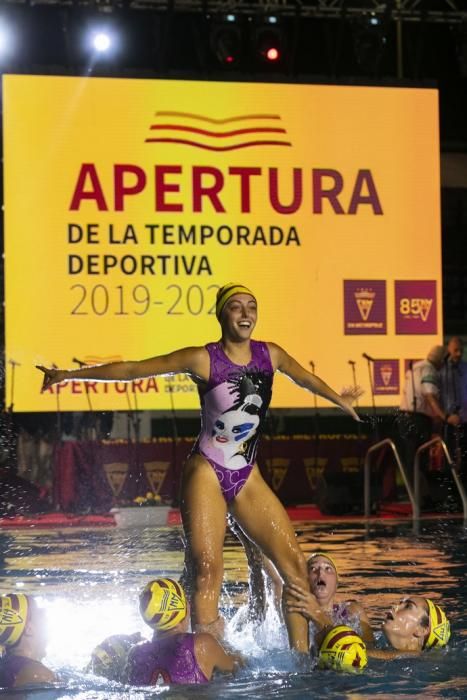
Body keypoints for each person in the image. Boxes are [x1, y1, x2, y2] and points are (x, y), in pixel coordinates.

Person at [37, 282, 361, 652]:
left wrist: (340, 400)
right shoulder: (202, 359)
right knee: (208, 569)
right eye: (236, 307)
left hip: (246, 473)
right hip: (206, 470)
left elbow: (305, 378)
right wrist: (69, 375)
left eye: (251, 306)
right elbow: (133, 370)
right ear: (221, 314)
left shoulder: (271, 354)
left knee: (296, 572)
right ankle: (206, 659)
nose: (245, 313)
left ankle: (303, 662)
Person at [125, 577, 242, 685]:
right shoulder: (202, 644)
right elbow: (237, 668)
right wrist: (222, 640)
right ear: (184, 609)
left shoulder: (135, 654)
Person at [397, 345, 460, 499]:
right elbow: (429, 395)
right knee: (419, 461)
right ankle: (421, 500)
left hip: (404, 418)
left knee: (411, 461)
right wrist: (445, 416)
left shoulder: (415, 368)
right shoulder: (429, 369)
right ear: (441, 359)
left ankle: (416, 499)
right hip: (417, 420)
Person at [285, 552, 374, 649]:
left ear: (336, 584)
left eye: (328, 568)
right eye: (312, 568)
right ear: (305, 581)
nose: (320, 573)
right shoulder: (297, 614)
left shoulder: (353, 611)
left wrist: (317, 614)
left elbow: (371, 651)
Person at [0, 593, 56, 689]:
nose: (45, 611)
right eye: (38, 611)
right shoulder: (37, 675)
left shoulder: (5, 665)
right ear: (29, 629)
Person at [367, 596, 450, 659]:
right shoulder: (379, 648)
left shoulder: (415, 656)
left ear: (421, 630)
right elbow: (356, 608)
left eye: (408, 607)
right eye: (400, 603)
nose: (395, 606)